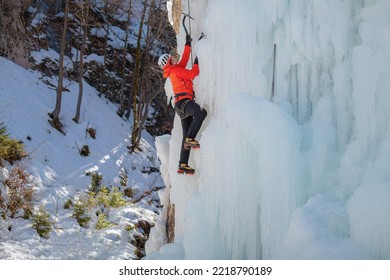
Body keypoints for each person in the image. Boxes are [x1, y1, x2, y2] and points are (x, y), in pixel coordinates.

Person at [158, 34, 207, 175]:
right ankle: (190, 138)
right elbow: (194, 73)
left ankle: (183, 164)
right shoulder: (175, 70)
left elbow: (185, 59)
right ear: (169, 61)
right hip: (184, 102)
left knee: (186, 133)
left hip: (180, 106)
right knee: (201, 113)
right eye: (171, 57)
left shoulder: (174, 70)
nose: (174, 57)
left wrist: (188, 44)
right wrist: (198, 59)